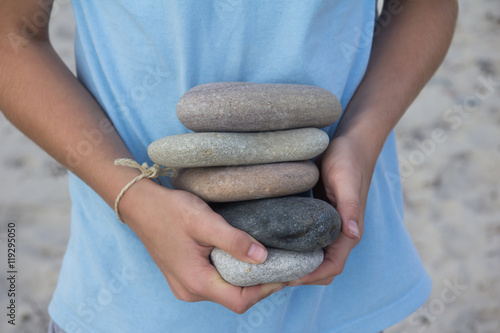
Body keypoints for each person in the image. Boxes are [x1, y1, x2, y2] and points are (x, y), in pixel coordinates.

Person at [0, 1, 458, 332]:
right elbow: (12, 35)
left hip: (339, 284)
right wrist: (133, 198)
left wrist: (361, 138)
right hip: (127, 296)